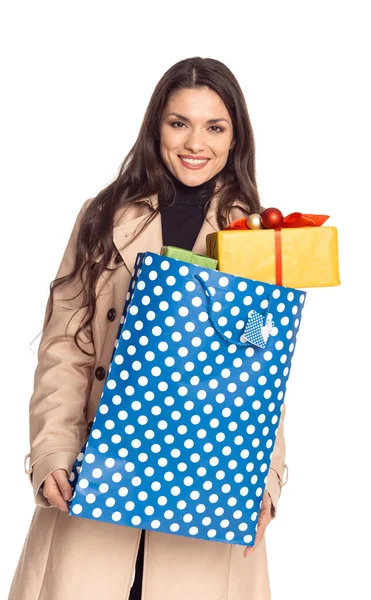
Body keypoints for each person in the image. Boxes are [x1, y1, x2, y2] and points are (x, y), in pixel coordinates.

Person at [8, 56, 288, 600]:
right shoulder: (101, 217)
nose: (195, 142)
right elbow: (65, 347)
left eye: (215, 126)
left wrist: (266, 483)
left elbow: (265, 376)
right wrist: (51, 453)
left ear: (235, 139)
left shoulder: (256, 235)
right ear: (156, 125)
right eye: (179, 122)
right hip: (97, 474)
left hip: (210, 487)